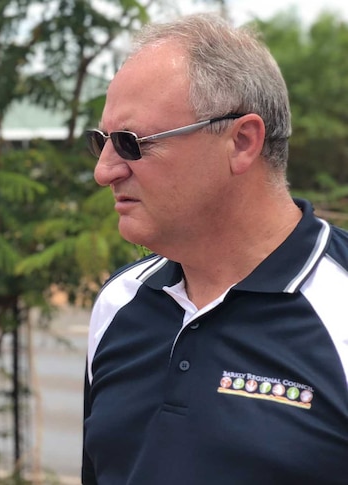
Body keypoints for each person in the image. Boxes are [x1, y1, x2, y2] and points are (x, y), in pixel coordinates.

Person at [81, 13, 348, 485]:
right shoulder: (119, 304)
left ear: (242, 141)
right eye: (100, 142)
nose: (105, 171)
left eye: (130, 142)